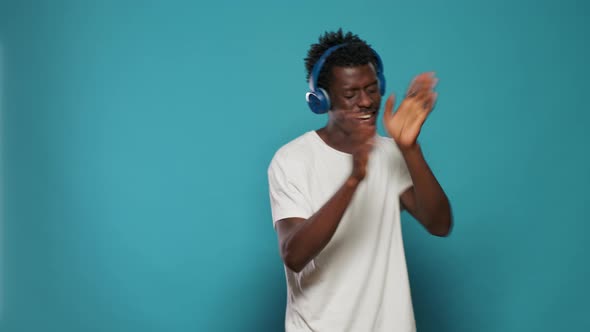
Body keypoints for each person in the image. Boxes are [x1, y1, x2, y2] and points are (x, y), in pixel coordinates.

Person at [267, 29, 453, 332]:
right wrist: (353, 180)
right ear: (322, 100)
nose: (366, 102)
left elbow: (440, 224)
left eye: (371, 89)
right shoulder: (292, 160)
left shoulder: (391, 154)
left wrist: (409, 149)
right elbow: (294, 254)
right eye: (351, 94)